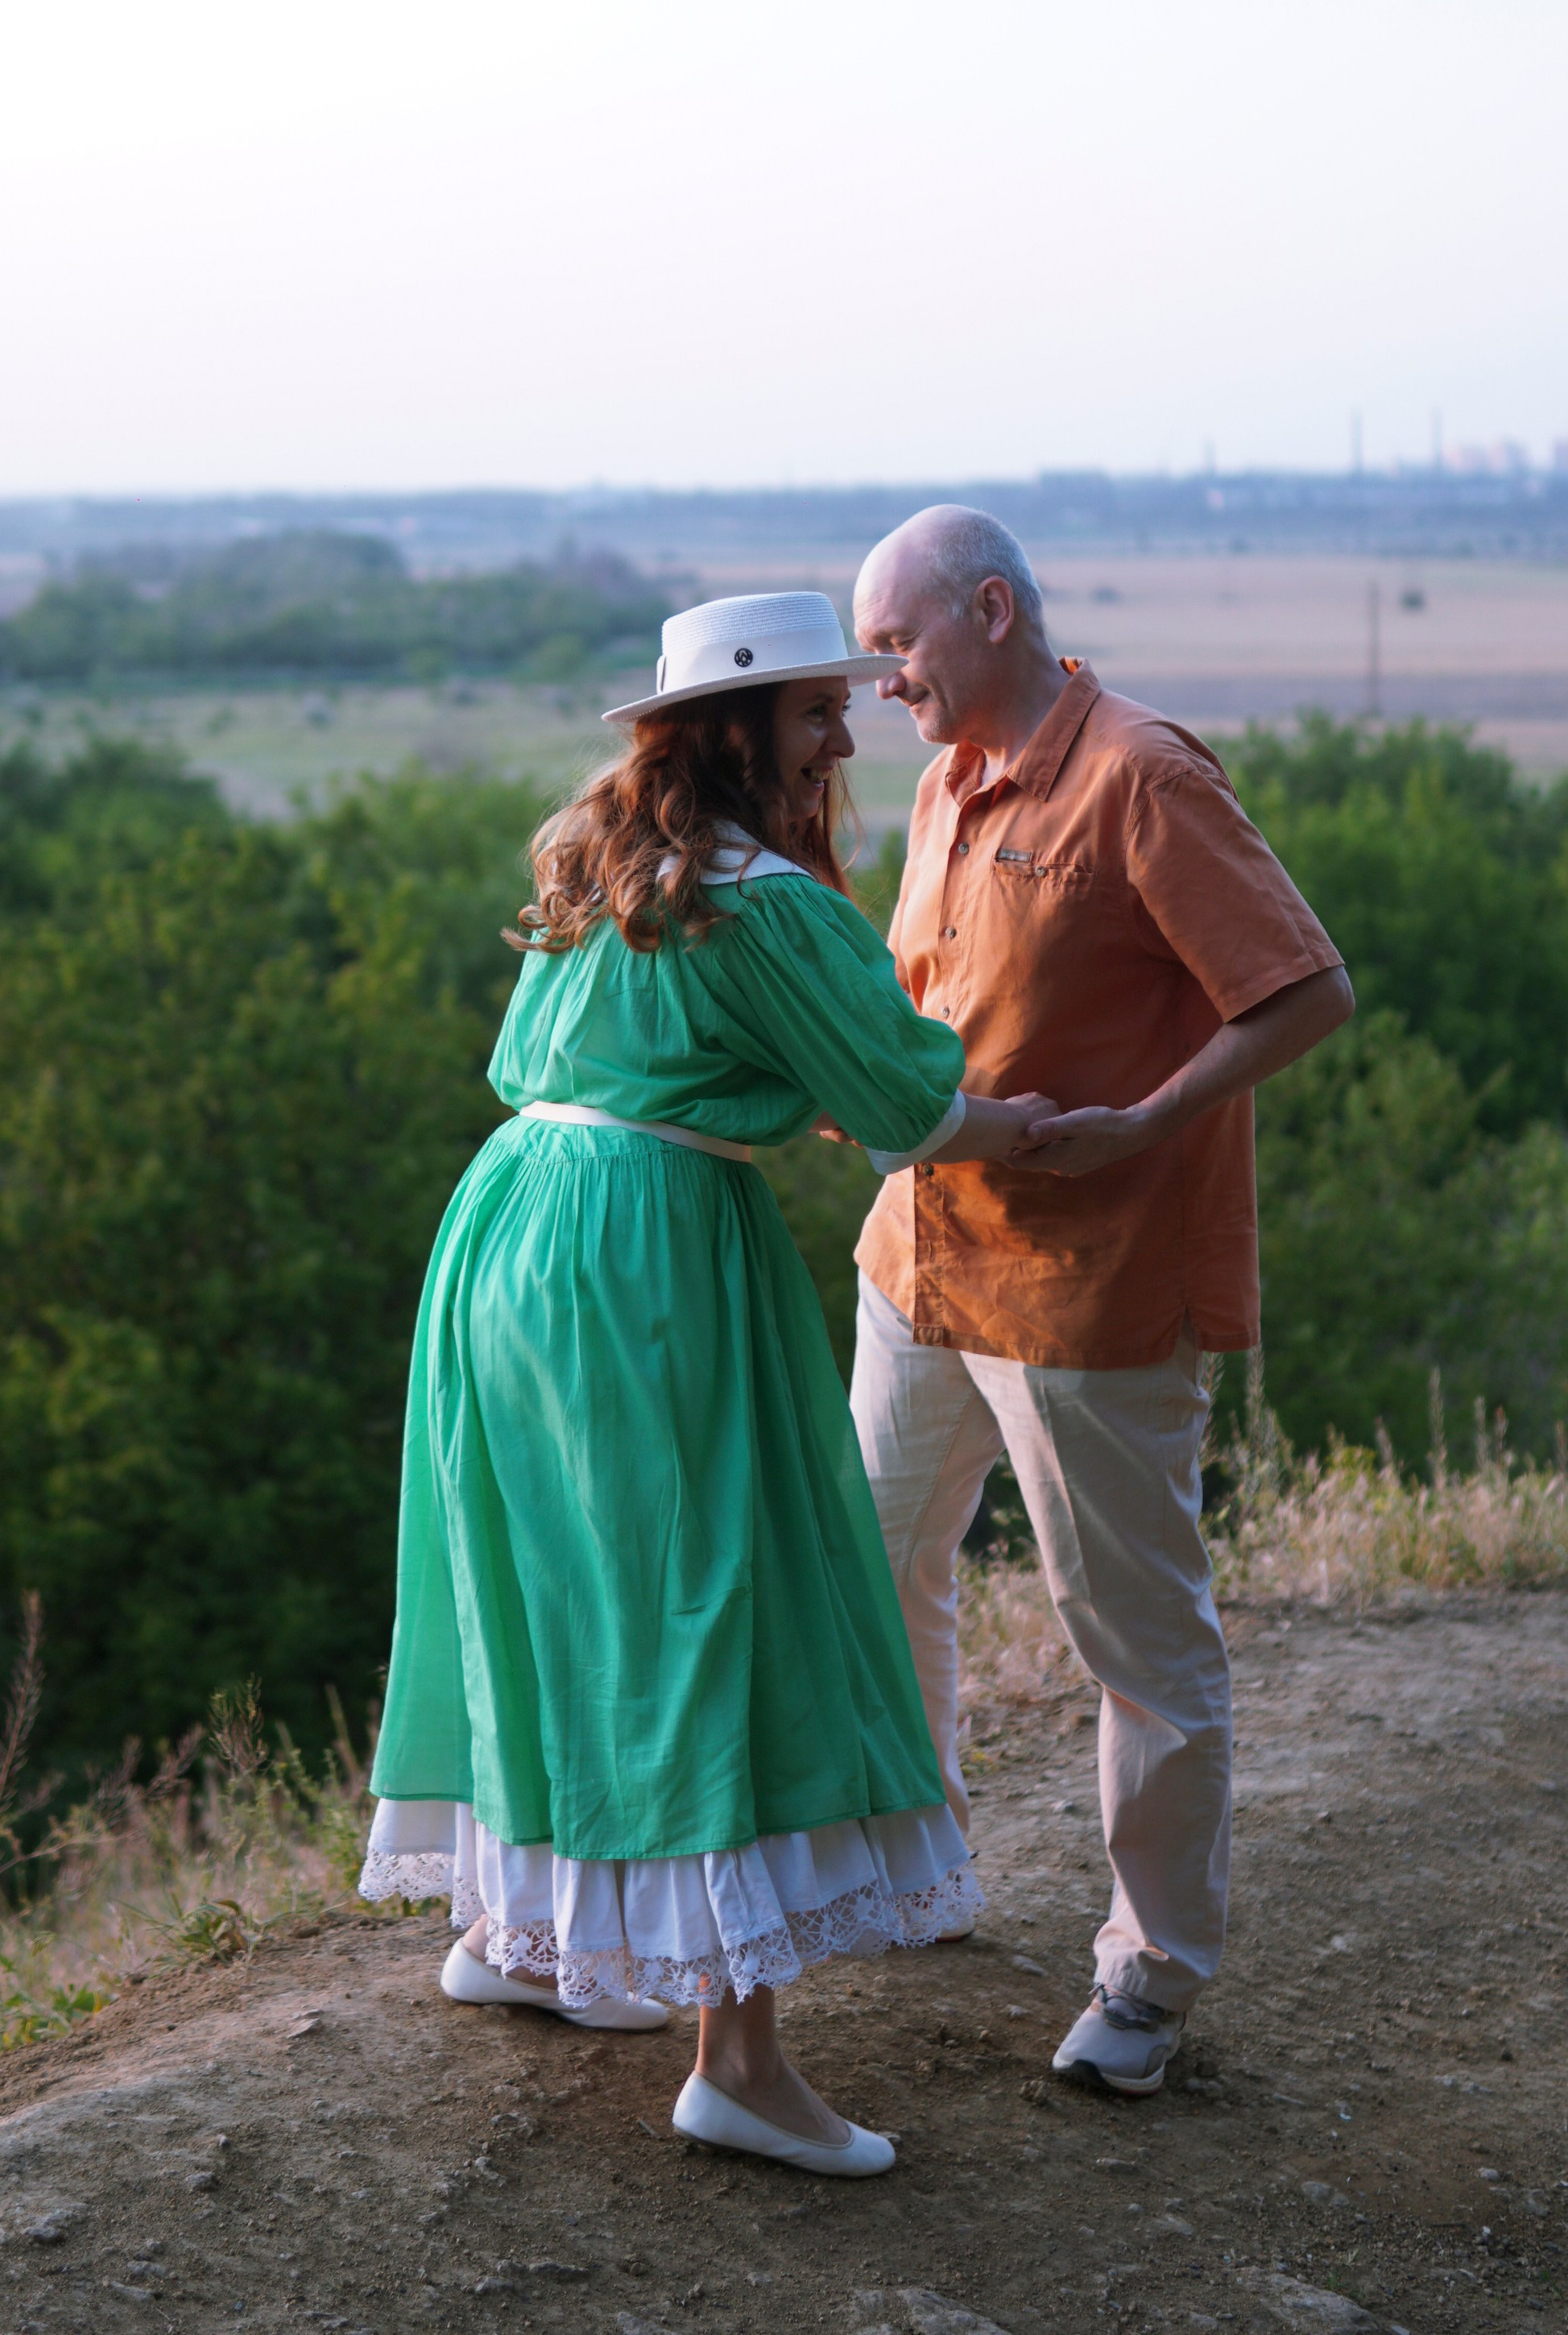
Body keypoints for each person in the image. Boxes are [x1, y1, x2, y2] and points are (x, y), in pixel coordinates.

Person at [360, 590, 1057, 2175]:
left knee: (549, 1578)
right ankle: (733, 2067)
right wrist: (1031, 1129)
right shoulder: (762, 901)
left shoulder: (603, 860)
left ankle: (521, 1938)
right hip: (646, 1257)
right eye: (814, 710)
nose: (842, 730)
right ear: (739, 727)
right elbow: (896, 1099)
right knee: (710, 1605)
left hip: (508, 1228)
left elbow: (593, 1059)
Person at [848, 508, 1355, 2096]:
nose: (883, 682)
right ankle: (911, 1869)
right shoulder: (939, 782)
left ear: (988, 611)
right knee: (870, 1557)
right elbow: (916, 1006)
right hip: (916, 1259)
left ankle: (1146, 1981)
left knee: (1129, 1634)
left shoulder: (1142, 775)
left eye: (897, 646)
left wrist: (1147, 1122)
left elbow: (1301, 991)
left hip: (1084, 1288)